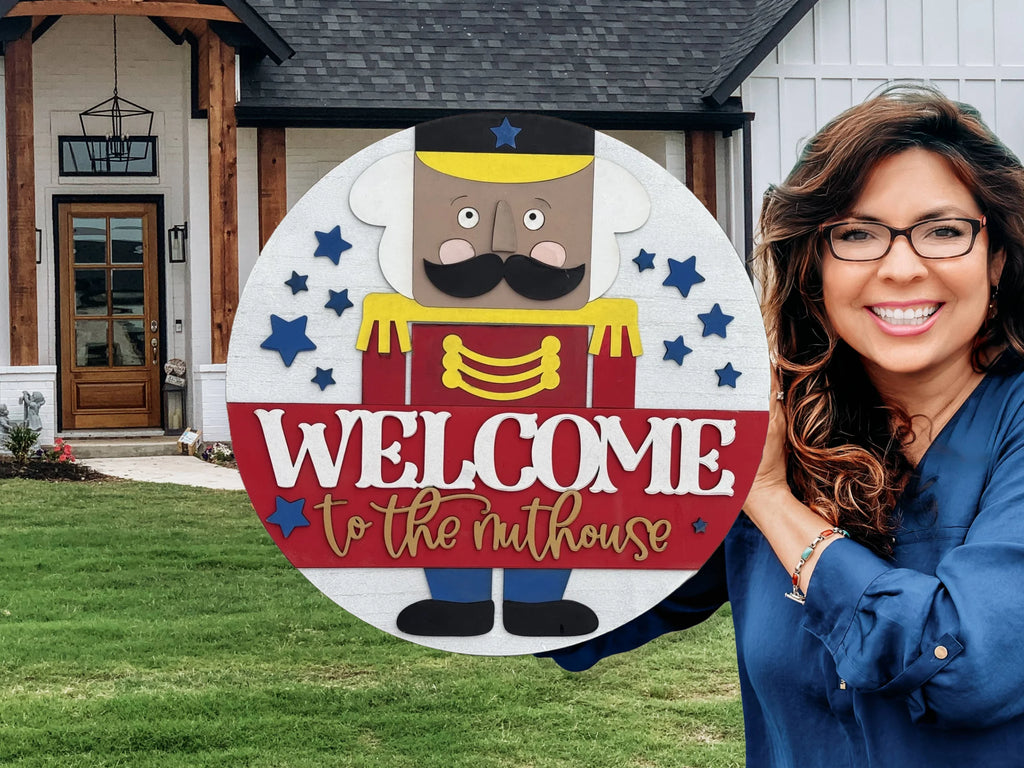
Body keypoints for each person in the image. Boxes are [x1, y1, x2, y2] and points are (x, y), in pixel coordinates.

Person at [546, 85, 1024, 766]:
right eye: (856, 234)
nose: (900, 267)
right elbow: (580, 613)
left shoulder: (766, 469)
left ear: (996, 258)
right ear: (815, 269)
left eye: (943, 231)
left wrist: (770, 499)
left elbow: (963, 667)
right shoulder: (781, 428)